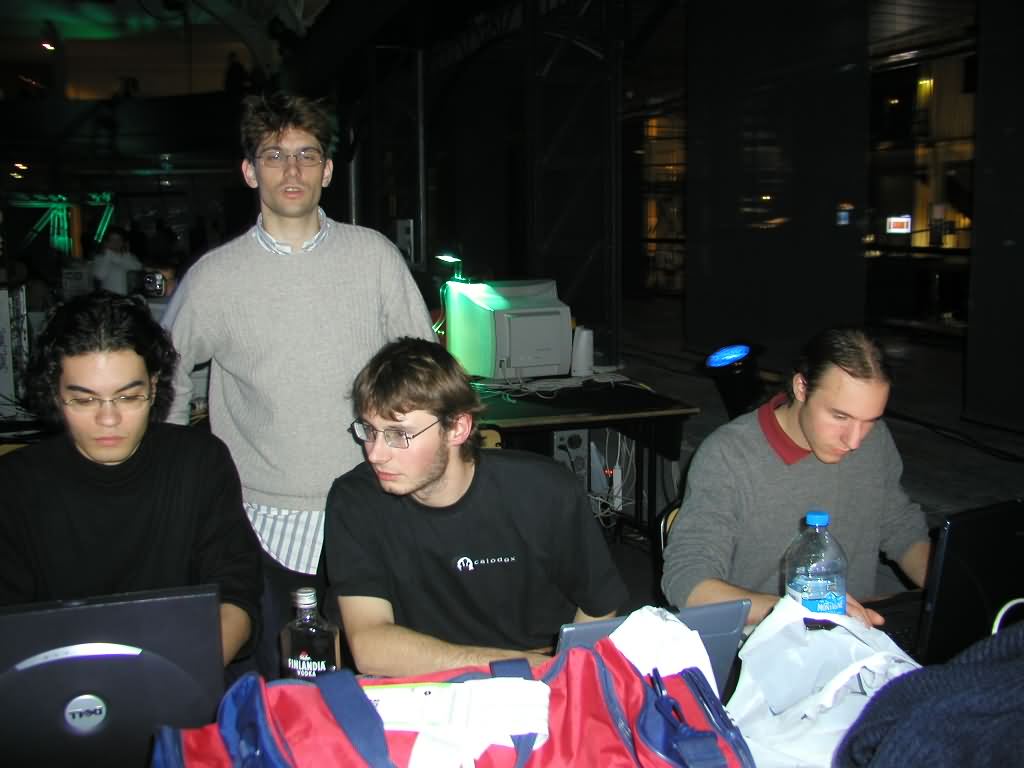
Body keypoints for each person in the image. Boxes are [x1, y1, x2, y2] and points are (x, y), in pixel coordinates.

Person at [161, 91, 434, 677]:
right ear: (249, 171)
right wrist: (177, 487)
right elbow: (167, 381)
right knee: (280, 684)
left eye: (307, 154)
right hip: (260, 518)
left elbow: (424, 372)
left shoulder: (374, 258)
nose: (292, 170)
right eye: (274, 155)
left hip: (374, 501)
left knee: (379, 678)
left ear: (327, 170)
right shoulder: (214, 279)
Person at [324, 337, 629, 677]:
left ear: (457, 428)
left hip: (538, 676)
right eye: (369, 430)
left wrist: (559, 677)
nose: (375, 454)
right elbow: (370, 646)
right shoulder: (356, 500)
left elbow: (600, 606)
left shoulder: (544, 492)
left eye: (398, 435)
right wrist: (511, 667)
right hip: (425, 679)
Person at [0, 291, 262, 667]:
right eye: (85, 400)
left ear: (153, 387)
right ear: (55, 394)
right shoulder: (15, 486)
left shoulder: (199, 462)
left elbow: (237, 594)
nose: (108, 419)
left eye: (128, 397)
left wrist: (179, 678)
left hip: (183, 676)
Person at [661, 327, 931, 627]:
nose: (855, 440)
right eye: (840, 417)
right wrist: (801, 610)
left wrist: (945, 585)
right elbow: (688, 582)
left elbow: (900, 527)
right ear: (801, 388)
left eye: (869, 420)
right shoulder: (729, 455)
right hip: (765, 638)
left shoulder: (874, 439)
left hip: (857, 634)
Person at [91, 225, 143, 295]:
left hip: (129, 297)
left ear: (123, 242)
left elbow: (138, 269)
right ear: (106, 242)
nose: (115, 243)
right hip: (110, 297)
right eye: (112, 240)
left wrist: (126, 254)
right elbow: (99, 276)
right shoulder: (100, 258)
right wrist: (108, 254)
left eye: (119, 240)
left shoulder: (129, 256)